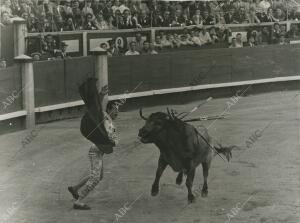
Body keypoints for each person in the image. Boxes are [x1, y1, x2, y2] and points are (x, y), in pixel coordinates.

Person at [68, 78, 118, 210]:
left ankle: (75, 188)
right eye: (115, 109)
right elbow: (95, 106)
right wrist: (101, 95)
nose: (117, 112)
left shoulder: (108, 120)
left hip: (98, 150)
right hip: (96, 150)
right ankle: (78, 201)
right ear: (109, 109)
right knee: (95, 178)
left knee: (98, 176)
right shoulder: (103, 115)